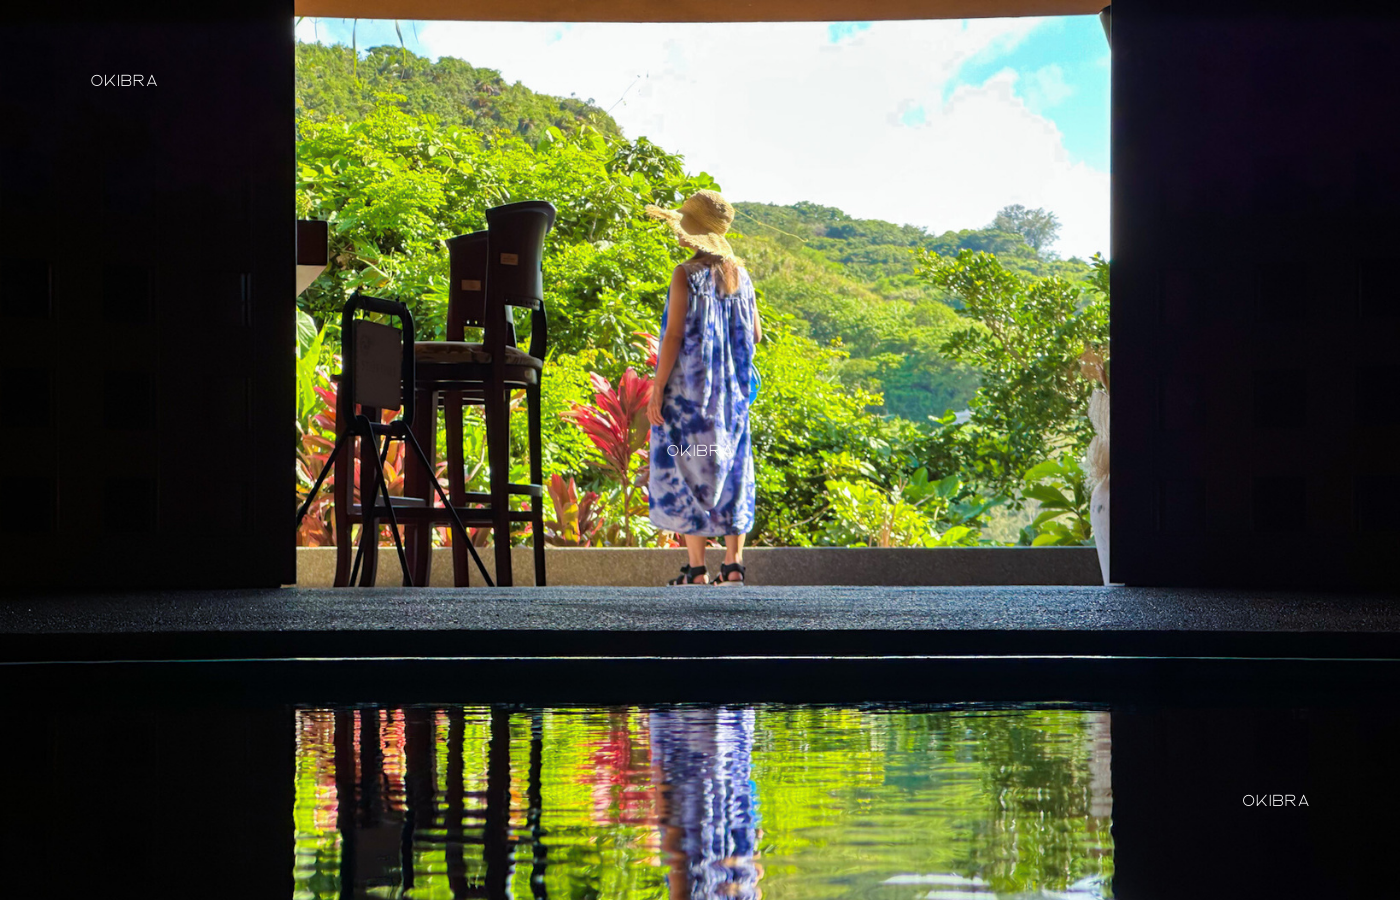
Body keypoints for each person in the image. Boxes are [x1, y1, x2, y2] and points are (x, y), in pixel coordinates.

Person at [644, 190, 762, 586]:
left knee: (685, 467)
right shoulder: (741, 277)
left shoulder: (686, 275)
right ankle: (733, 565)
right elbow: (756, 335)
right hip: (732, 398)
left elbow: (673, 336)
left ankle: (696, 570)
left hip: (689, 399)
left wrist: (657, 389)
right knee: (731, 468)